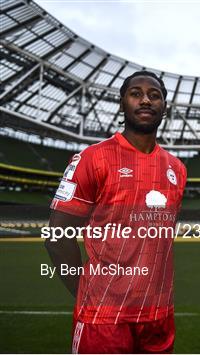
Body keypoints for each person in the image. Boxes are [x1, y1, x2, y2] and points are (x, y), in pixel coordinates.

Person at [45, 70, 187, 353]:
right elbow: (57, 236)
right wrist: (86, 292)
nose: (145, 100)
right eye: (136, 94)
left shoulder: (177, 169)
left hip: (158, 317)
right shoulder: (92, 158)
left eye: (154, 95)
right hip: (104, 319)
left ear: (164, 107)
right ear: (122, 103)